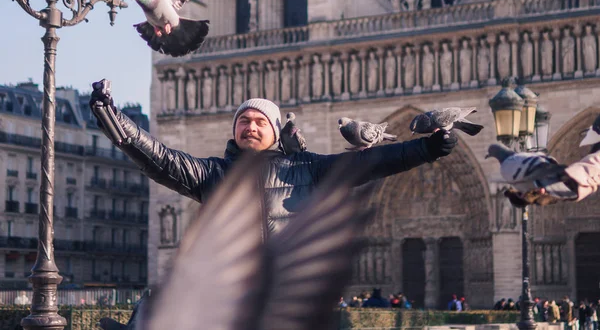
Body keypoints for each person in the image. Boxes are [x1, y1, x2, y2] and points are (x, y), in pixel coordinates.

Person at [89, 91, 458, 235]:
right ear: (234, 131)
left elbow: (375, 162)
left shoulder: (309, 168)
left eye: (260, 121)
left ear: (275, 130)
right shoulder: (214, 174)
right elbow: (162, 161)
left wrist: (428, 149)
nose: (250, 126)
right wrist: (117, 123)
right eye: (243, 121)